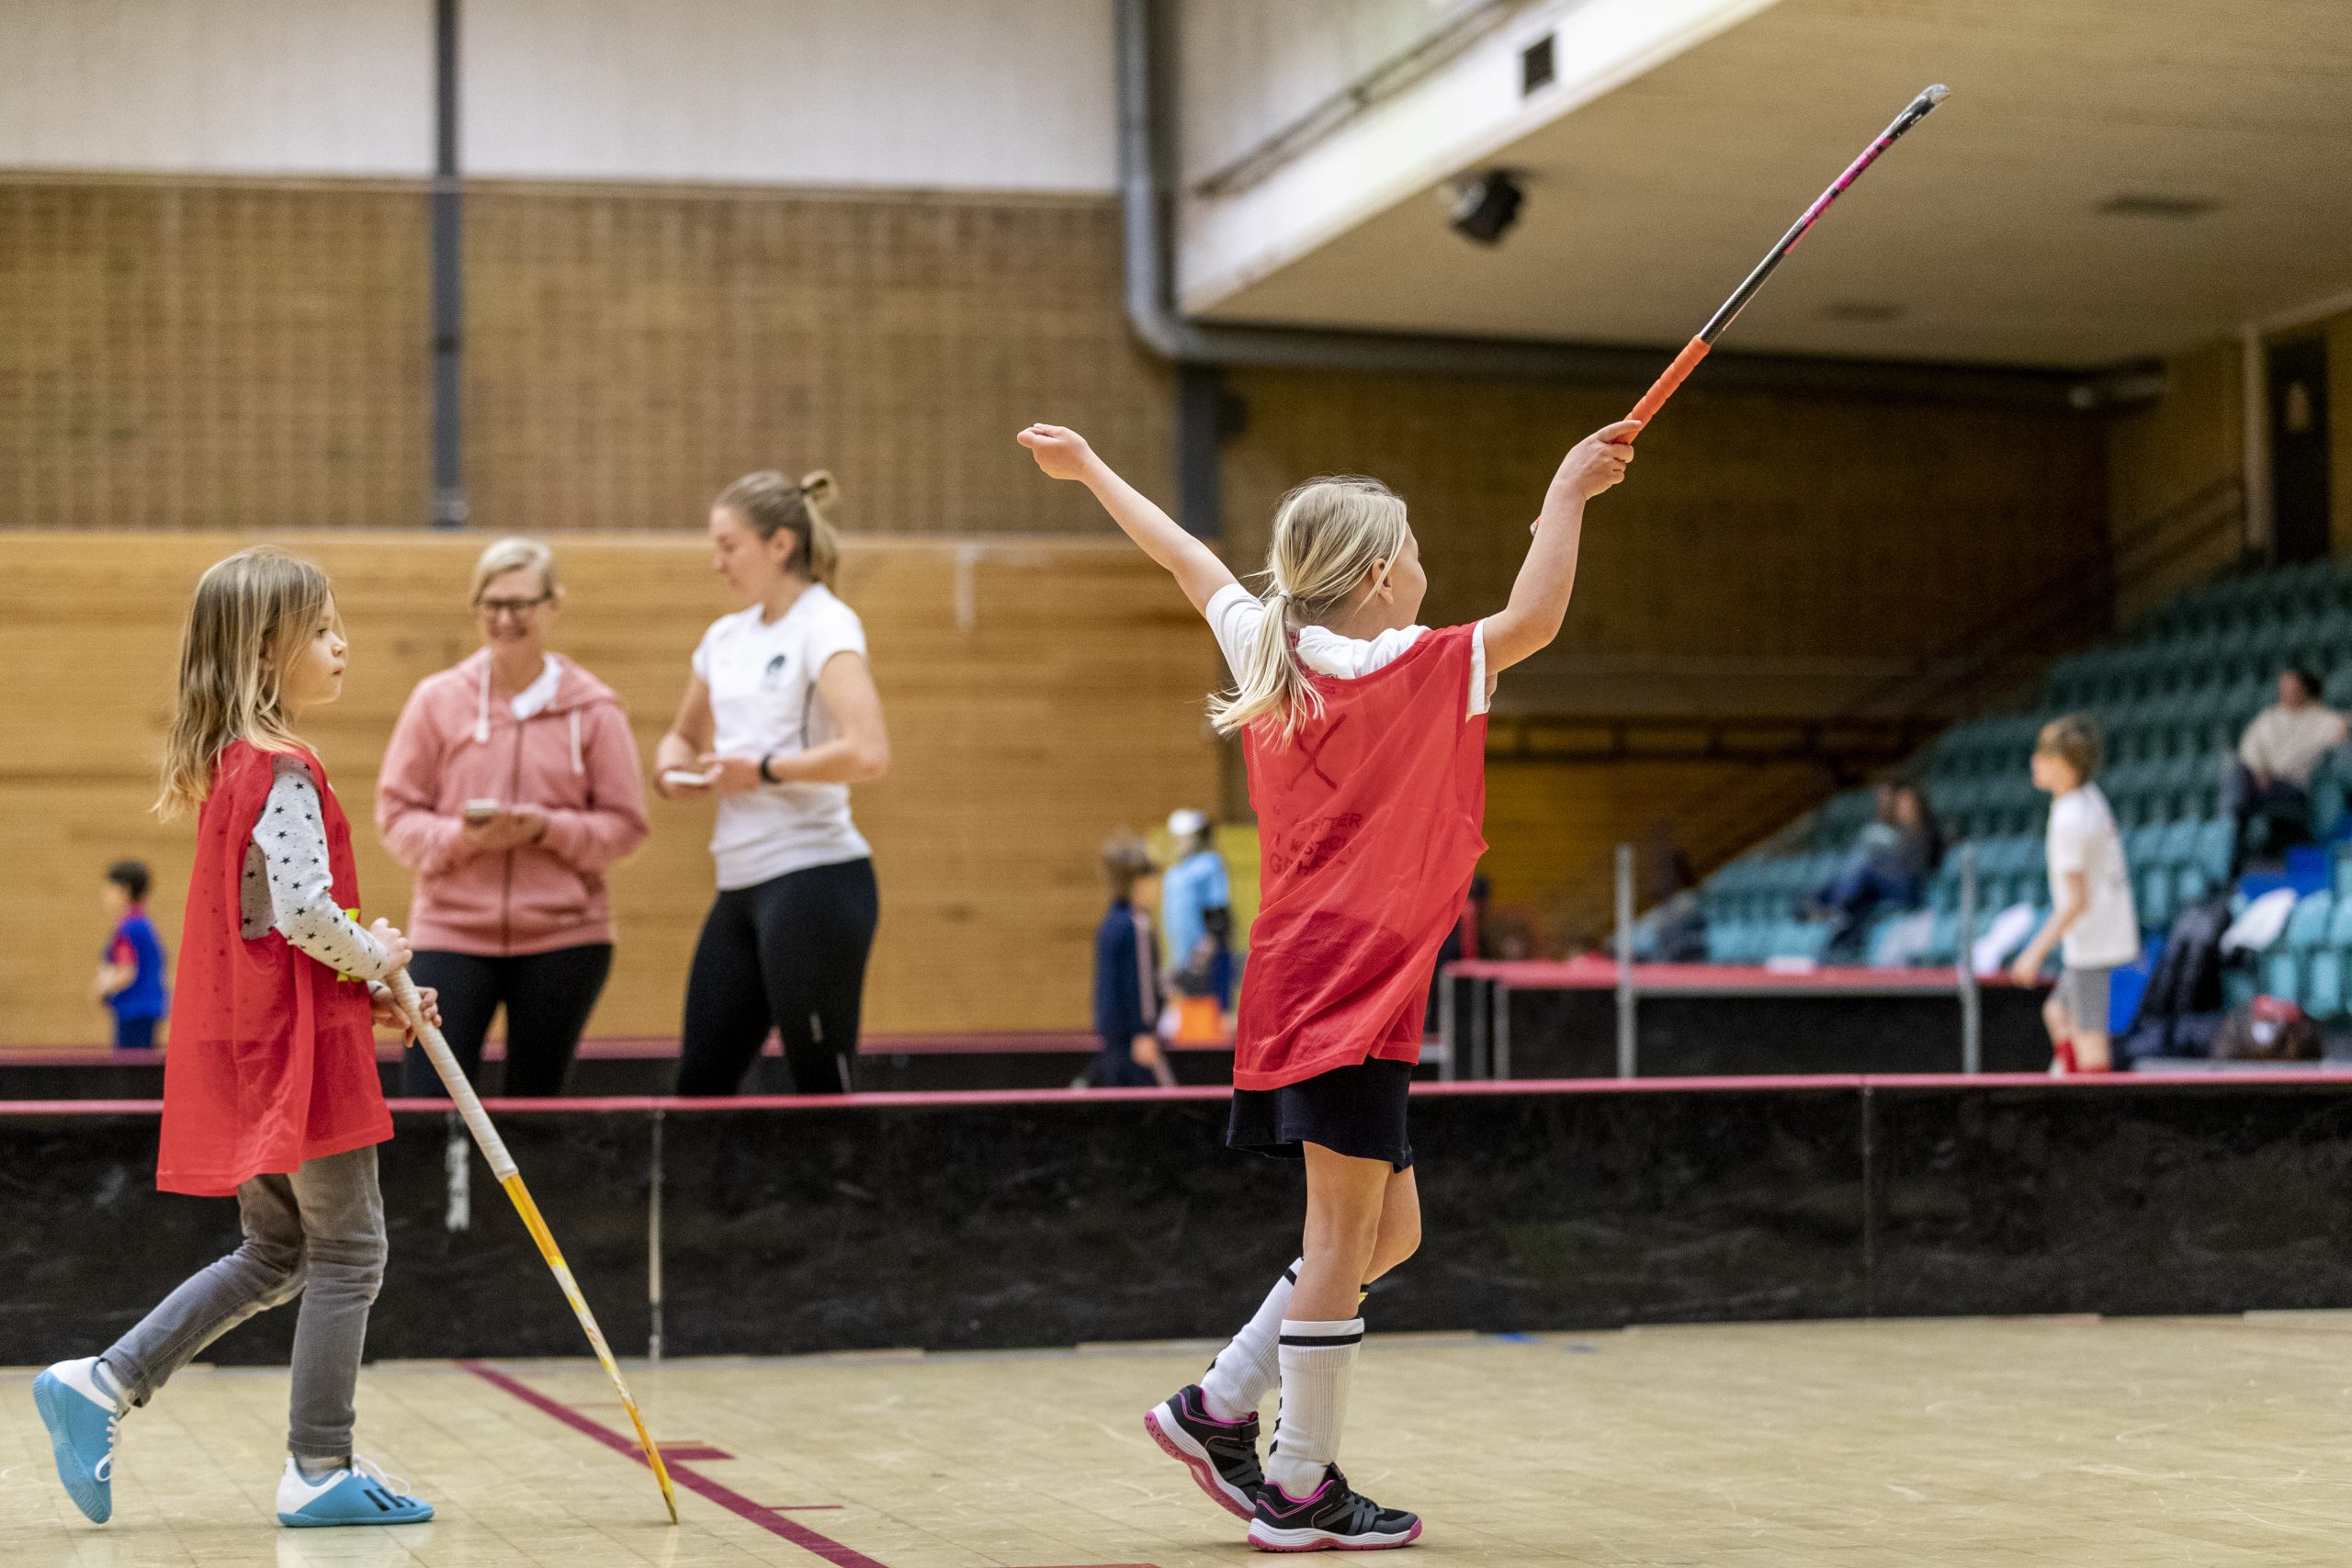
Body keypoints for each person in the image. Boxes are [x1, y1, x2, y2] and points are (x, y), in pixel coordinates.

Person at [1021, 412, 1637, 1551]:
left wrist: (1091, 466)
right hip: (1345, 986)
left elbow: (1185, 557)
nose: (1422, 566)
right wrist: (1566, 491)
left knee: (1384, 1232)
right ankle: (1300, 1484)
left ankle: (1215, 1407)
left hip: (1325, 980)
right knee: (1344, 1238)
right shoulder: (1407, 664)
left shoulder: (1266, 645)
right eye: (1408, 549)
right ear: (1371, 575)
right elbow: (1536, 619)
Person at [32, 547, 439, 1529]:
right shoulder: (284, 772)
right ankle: (318, 1465)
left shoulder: (233, 771)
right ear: (267, 647)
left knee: (277, 1251)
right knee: (351, 1253)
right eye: (325, 630)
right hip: (299, 1061)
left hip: (258, 1048)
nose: (344, 646)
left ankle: (101, 1382)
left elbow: (273, 931)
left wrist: (365, 982)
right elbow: (304, 914)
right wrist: (378, 958)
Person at [377, 537, 650, 1097]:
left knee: (535, 1109)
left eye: (521, 604)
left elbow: (625, 825)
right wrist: (463, 837)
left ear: (553, 605)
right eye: (491, 604)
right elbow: (397, 815)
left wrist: (546, 828)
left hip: (565, 940)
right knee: (431, 1105)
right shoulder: (436, 700)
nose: (505, 618)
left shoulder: (595, 709)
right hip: (450, 931)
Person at [657, 470, 890, 1096]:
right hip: (740, 882)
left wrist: (760, 770)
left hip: (815, 876)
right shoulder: (724, 638)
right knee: (701, 1082)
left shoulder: (826, 624)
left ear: (779, 544)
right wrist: (670, 770)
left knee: (820, 1080)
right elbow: (680, 734)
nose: (717, 562)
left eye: (729, 546)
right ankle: (722, 1197)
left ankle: (838, 1196)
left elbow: (868, 751)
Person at [2012, 714, 2140, 1074]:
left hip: (2091, 944)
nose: (2035, 762)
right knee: (2056, 1011)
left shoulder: (2070, 819)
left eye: (2046, 757)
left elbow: (2076, 902)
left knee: (2090, 1038)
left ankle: (2095, 1113)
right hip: (2098, 935)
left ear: (2068, 768)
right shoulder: (2089, 798)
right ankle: (2067, 1079)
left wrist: (2034, 953)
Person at [2226, 668, 2347, 866]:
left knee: (2243, 793)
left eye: (2291, 687)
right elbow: (2249, 748)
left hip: (2296, 788)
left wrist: (2275, 771)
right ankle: (2237, 861)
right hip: (2261, 783)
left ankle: (2239, 861)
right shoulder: (2269, 717)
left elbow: (2336, 733)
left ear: (2304, 689)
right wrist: (2260, 770)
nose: (2284, 692)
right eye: (2282, 687)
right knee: (2239, 776)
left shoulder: (2323, 719)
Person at [1810, 781, 1943, 956]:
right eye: (1900, 805)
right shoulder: (1901, 833)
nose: (1902, 809)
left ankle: (1834, 903)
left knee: (1867, 868)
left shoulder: (1926, 833)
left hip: (1911, 892)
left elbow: (1918, 868)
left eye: (1907, 804)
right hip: (1892, 886)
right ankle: (1837, 912)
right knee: (1862, 874)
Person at [1091, 833, 1176, 1088]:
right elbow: (1139, 985)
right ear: (1138, 882)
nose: (1158, 887)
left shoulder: (1111, 920)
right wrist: (1144, 1031)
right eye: (1153, 879)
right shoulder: (1135, 925)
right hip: (1135, 1041)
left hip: (1115, 1038)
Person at [1161, 807, 1234, 1010]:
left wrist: (1204, 954)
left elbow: (1218, 912)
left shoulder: (1209, 864)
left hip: (1203, 961)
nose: (1178, 843)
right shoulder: (1175, 872)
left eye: (1183, 838)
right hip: (1179, 960)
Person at [91, 860, 169, 1052]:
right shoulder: (142, 923)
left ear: (123, 890)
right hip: (145, 1010)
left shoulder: (129, 928)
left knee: (131, 1075)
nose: (104, 894)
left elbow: (126, 972)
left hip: (134, 1011)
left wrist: (100, 989)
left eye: (109, 888)